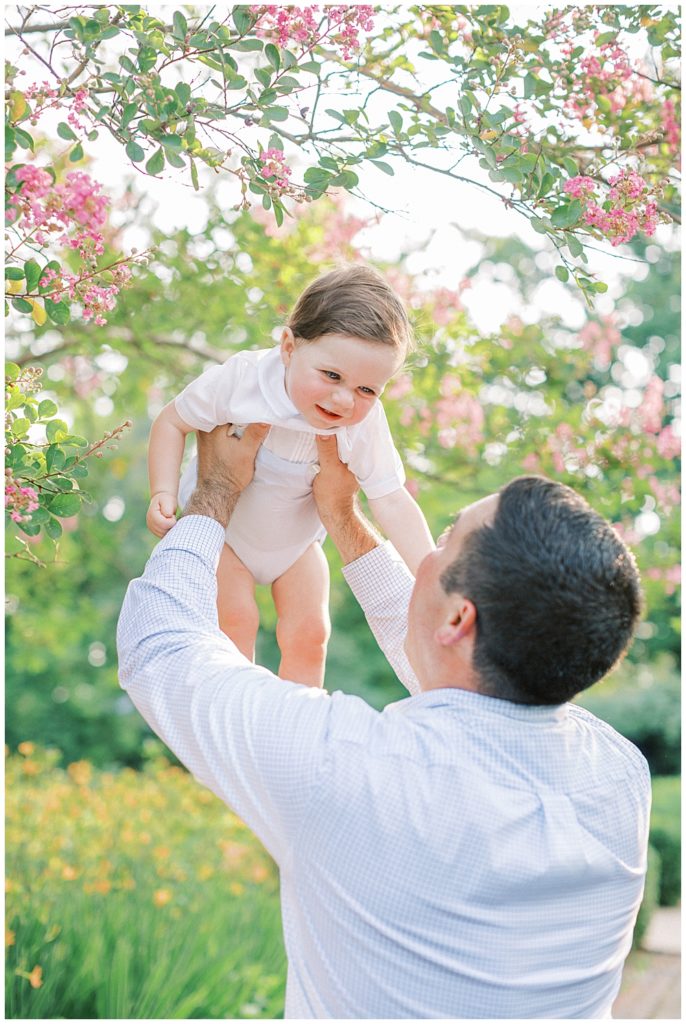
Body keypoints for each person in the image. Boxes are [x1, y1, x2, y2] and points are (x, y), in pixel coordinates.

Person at [117, 422, 650, 1020]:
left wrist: (213, 492)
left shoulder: (342, 768)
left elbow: (160, 645)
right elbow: (450, 664)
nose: (427, 551)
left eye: (443, 541)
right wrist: (342, 518)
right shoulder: (618, 774)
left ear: (458, 618)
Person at [146, 264, 433, 686]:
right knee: (236, 621)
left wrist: (432, 573)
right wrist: (162, 492)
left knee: (311, 634)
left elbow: (390, 499)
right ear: (288, 347)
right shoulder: (243, 380)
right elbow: (172, 422)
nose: (343, 400)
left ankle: (300, 725)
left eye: (367, 390)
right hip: (228, 538)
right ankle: (234, 711)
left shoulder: (364, 424)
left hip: (297, 547)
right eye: (331, 376)